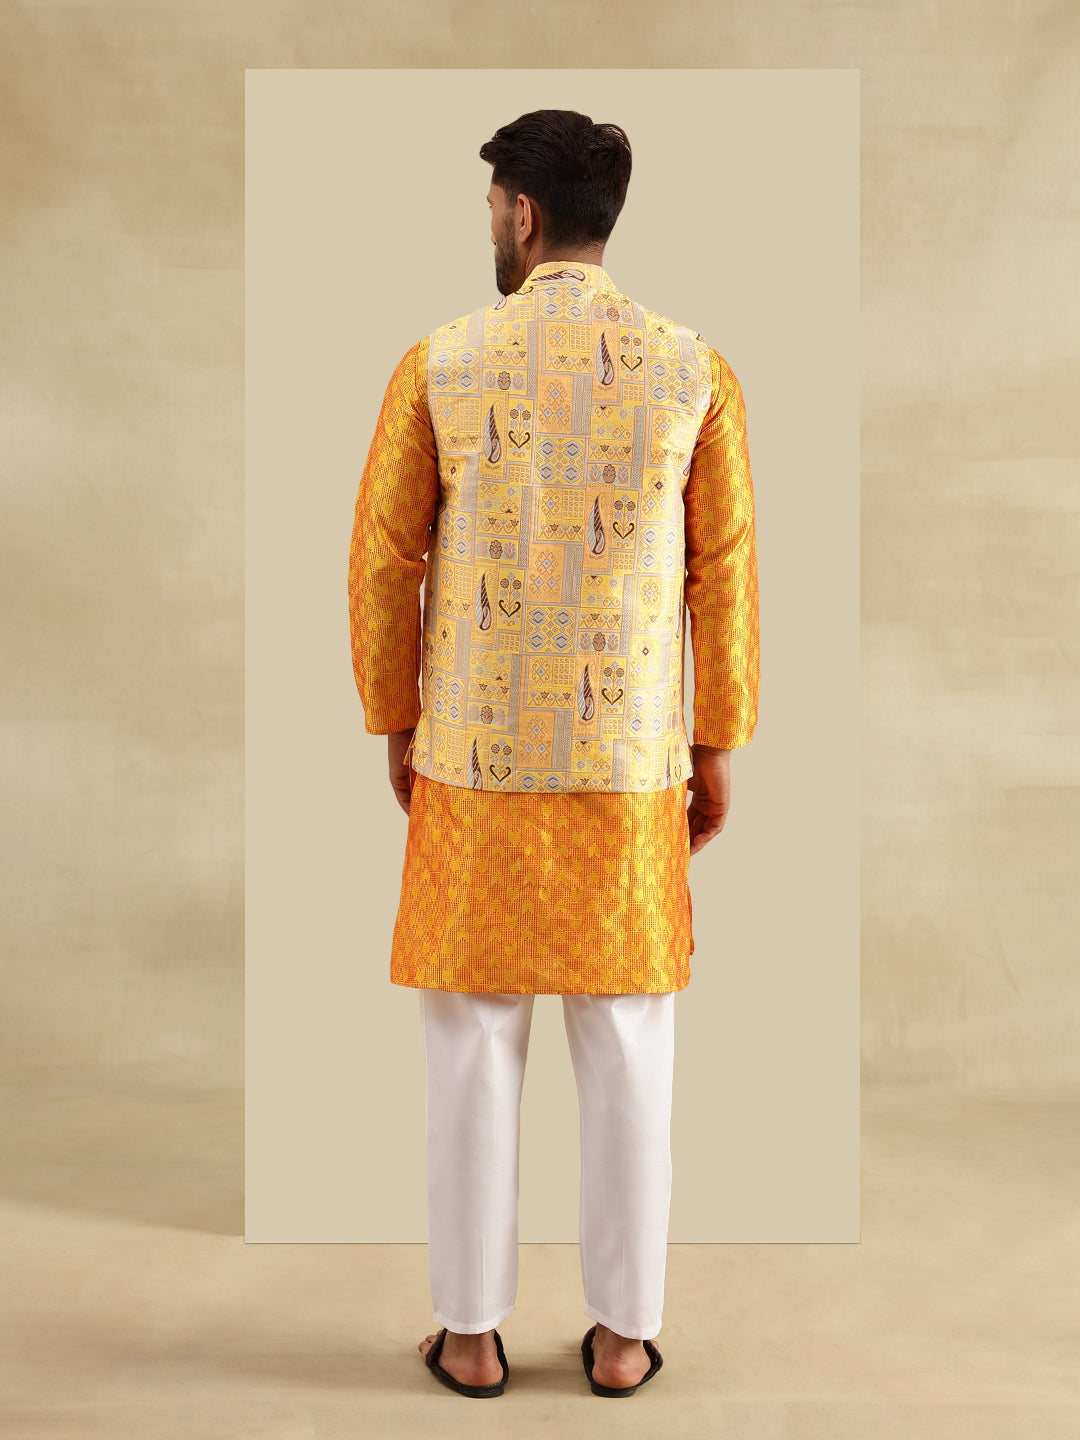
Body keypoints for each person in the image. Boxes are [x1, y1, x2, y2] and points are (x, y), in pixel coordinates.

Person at [347, 108, 759, 1399]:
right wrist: (713, 743)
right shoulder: (694, 372)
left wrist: (398, 718)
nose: (490, 225)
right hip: (629, 767)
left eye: (491, 207)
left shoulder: (440, 364)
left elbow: (386, 559)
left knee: (472, 1042)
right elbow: (723, 575)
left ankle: (470, 1336)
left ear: (523, 215)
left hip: (474, 760)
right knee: (630, 1041)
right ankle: (625, 1338)